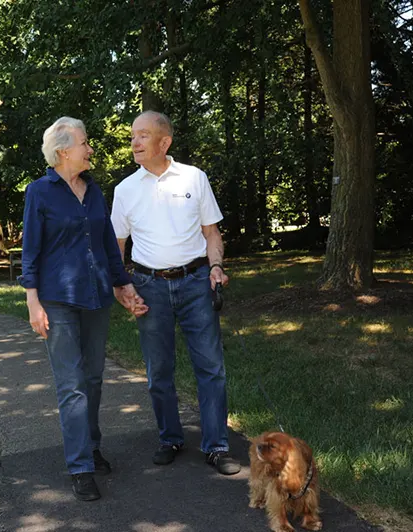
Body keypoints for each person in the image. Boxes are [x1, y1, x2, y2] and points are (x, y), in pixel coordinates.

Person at [18, 116, 146, 502]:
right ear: (62, 151)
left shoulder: (94, 191)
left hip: (95, 298)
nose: (90, 149)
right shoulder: (39, 192)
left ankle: (91, 447)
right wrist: (32, 302)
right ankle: (79, 467)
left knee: (92, 380)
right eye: (84, 143)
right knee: (71, 385)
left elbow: (108, 243)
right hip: (57, 301)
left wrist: (123, 284)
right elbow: (31, 252)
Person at [110, 111, 241, 476]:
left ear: (164, 142)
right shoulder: (125, 190)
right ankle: (170, 438)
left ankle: (216, 446)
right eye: (133, 135)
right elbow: (116, 245)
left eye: (143, 136)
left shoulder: (194, 178)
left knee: (210, 368)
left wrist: (216, 267)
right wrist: (123, 286)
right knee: (159, 371)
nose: (134, 142)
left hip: (197, 282)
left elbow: (212, 234)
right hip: (149, 286)